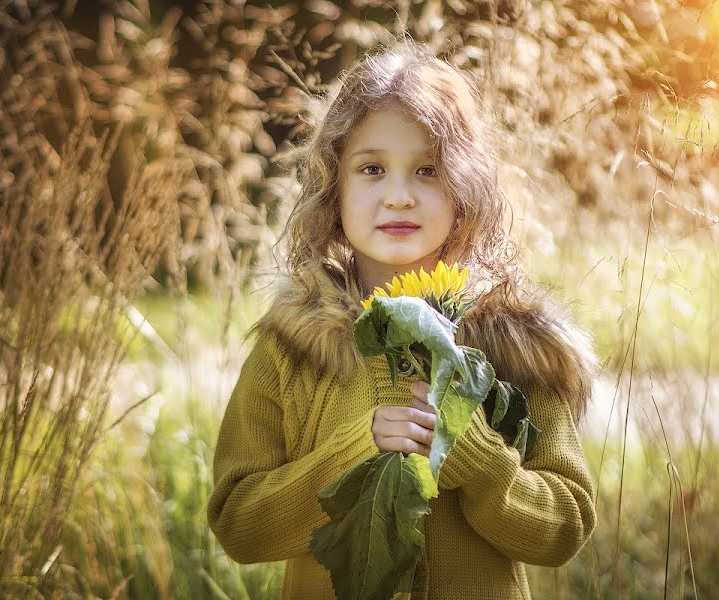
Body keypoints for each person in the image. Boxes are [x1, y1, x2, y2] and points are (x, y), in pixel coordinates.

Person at [207, 40, 598, 600]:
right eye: (371, 169)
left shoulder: (516, 345)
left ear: (465, 189)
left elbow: (564, 529)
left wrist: (482, 464)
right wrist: (356, 450)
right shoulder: (291, 347)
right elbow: (238, 524)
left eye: (426, 170)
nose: (398, 196)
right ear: (332, 186)